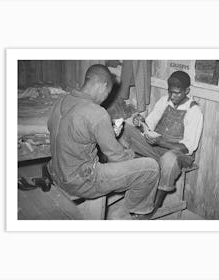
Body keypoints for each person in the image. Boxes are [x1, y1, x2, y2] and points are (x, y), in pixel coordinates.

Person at [46, 64, 159, 219]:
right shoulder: (97, 113)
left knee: (108, 157)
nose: (106, 97)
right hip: (82, 182)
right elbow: (116, 157)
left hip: (55, 172)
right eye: (107, 92)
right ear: (103, 86)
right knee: (151, 168)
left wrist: (107, 132)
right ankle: (132, 211)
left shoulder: (61, 100)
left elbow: (73, 132)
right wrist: (131, 155)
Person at [121, 70, 203, 214]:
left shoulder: (194, 111)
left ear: (187, 91)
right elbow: (150, 124)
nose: (172, 96)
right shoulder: (164, 101)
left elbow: (188, 147)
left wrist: (161, 142)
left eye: (177, 93)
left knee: (169, 160)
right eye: (170, 91)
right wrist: (140, 122)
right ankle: (126, 181)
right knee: (126, 129)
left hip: (179, 153)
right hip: (157, 146)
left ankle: (155, 206)